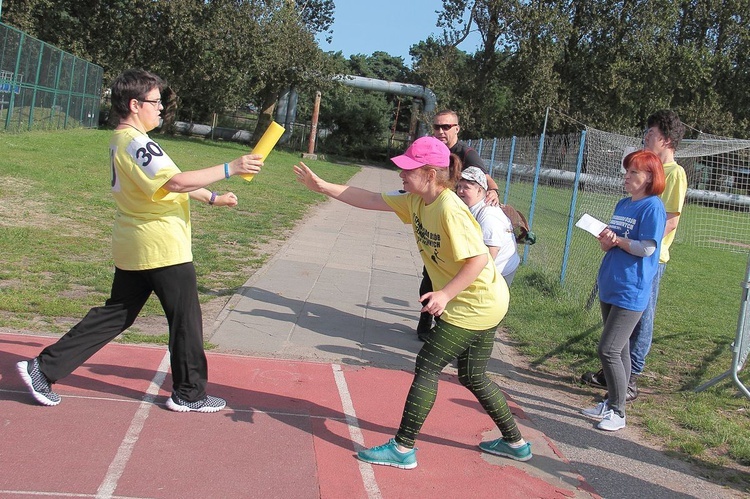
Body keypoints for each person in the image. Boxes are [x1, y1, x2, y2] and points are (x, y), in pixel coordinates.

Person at [16, 68, 263, 412]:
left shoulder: (125, 140)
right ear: (134, 105)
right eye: (155, 102)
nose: (161, 108)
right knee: (186, 320)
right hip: (161, 248)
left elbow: (167, 183)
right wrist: (231, 167)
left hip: (136, 244)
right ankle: (189, 393)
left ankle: (44, 367)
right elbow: (175, 182)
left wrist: (212, 198)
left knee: (116, 314)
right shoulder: (137, 143)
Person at [293, 136, 531, 468]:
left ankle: (403, 449)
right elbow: (371, 198)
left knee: (427, 366)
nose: (400, 175)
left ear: (431, 173)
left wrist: (445, 294)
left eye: (408, 169)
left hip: (475, 303)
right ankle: (515, 443)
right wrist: (322, 187)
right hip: (484, 300)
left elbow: (478, 259)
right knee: (473, 375)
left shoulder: (450, 209)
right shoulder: (417, 200)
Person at [581, 110, 686, 401]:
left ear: (665, 139)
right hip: (624, 257)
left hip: (647, 260)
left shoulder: (674, 175)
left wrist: (634, 243)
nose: (646, 137)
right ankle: (616, 378)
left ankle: (629, 380)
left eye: (651, 133)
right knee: (619, 330)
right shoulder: (625, 202)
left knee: (639, 320)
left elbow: (671, 219)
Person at [581, 150, 666, 431]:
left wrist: (619, 241)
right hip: (611, 283)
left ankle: (618, 412)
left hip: (632, 288)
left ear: (650, 177)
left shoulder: (652, 207)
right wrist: (606, 239)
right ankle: (611, 403)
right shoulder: (623, 203)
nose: (626, 177)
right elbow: (611, 243)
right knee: (622, 350)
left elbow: (648, 247)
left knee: (608, 349)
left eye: (634, 173)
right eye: (626, 172)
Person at [416, 110, 503, 337]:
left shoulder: (466, 153)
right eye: (437, 127)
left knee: (455, 270)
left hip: (456, 219)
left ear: (457, 128)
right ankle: (425, 319)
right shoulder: (432, 148)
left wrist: (492, 190)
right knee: (431, 271)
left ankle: (447, 322)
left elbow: (485, 176)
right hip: (436, 213)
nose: (441, 131)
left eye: (446, 127)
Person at [456, 167, 520, 286]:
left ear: (480, 190)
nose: (460, 191)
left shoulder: (488, 216)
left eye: (466, 188)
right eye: (459, 186)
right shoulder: (474, 207)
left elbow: (491, 253)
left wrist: (472, 278)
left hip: (500, 272)